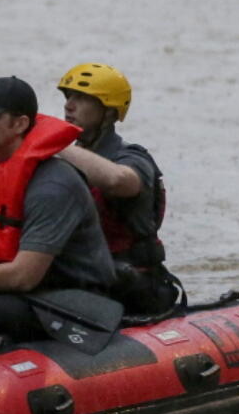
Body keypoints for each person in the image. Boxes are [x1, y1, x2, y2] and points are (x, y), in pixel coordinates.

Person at [0, 76, 117, 343]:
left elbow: (23, 276)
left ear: (20, 124)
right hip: (16, 288)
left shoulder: (54, 185)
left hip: (76, 299)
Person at [56, 63, 180, 315]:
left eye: (82, 98)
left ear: (109, 112)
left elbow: (120, 181)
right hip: (80, 278)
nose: (69, 105)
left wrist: (56, 145)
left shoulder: (133, 158)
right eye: (69, 97)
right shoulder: (63, 160)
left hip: (132, 286)